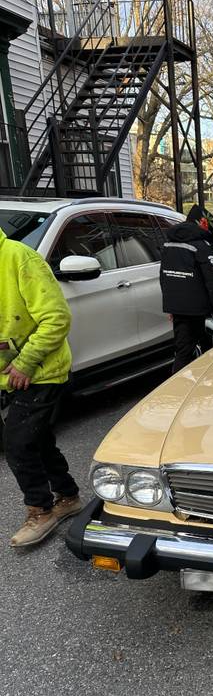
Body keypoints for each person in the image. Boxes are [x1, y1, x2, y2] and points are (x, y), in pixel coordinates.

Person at [0, 227, 81, 548]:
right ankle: (69, 495)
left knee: (18, 443)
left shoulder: (19, 258)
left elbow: (57, 317)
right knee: (38, 439)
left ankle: (41, 509)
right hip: (9, 374)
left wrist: (26, 362)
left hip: (42, 371)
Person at [160, 205, 213, 373]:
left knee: (183, 352)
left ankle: (178, 388)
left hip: (178, 308)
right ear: (203, 225)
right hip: (200, 309)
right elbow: (212, 281)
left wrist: (171, 306)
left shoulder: (169, 244)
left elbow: (164, 277)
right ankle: (206, 383)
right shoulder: (202, 246)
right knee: (209, 350)